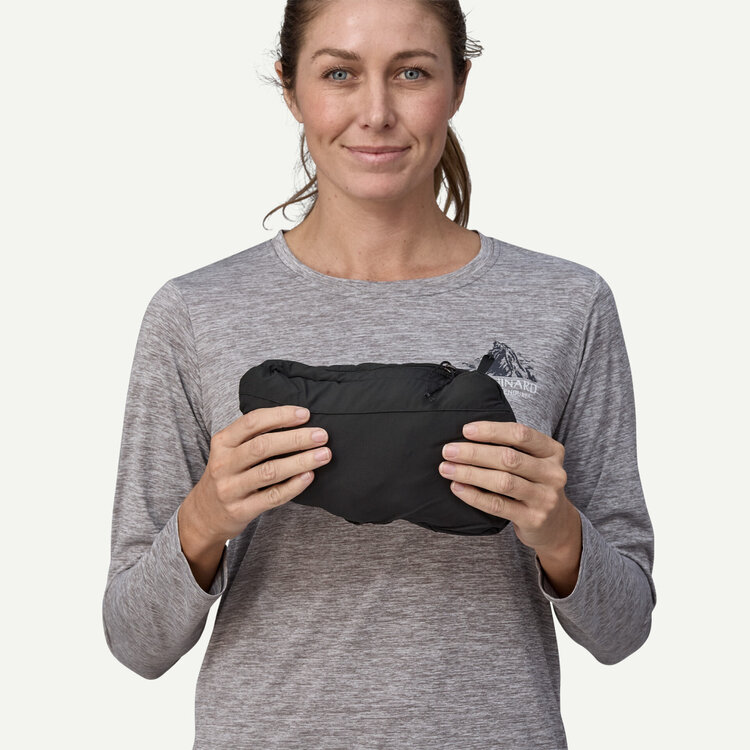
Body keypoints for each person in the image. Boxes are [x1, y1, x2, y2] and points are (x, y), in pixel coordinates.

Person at [102, 1, 656, 748]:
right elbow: (136, 643)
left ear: (458, 86)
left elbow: (624, 629)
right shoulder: (197, 312)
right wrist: (206, 517)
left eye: (412, 73)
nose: (375, 112)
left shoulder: (567, 303)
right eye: (339, 74)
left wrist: (557, 530)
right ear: (291, 89)